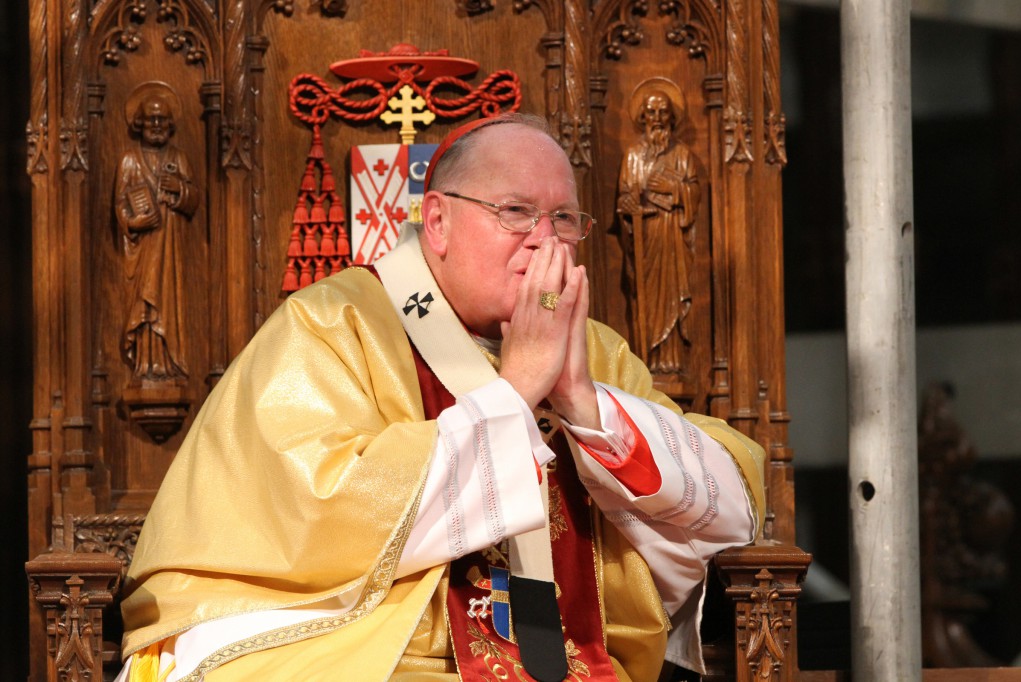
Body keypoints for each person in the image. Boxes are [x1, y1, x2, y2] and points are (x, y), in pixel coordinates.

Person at [116, 114, 764, 682]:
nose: (546, 240)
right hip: (374, 653)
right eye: (516, 212)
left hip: (569, 660)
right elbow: (323, 511)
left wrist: (585, 406)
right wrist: (514, 394)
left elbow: (730, 510)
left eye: (565, 218)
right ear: (438, 222)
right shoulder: (336, 323)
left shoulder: (590, 349)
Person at [617, 78, 701, 374]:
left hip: (672, 237)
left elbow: (694, 192)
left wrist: (676, 187)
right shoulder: (633, 156)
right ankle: (647, 363)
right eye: (651, 113)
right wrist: (628, 206)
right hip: (646, 237)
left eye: (662, 112)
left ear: (671, 117)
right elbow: (626, 194)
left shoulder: (682, 155)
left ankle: (673, 361)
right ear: (642, 118)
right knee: (648, 300)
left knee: (673, 294)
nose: (657, 119)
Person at [116, 82, 198, 381]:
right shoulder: (129, 161)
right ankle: (145, 364)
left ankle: (168, 362)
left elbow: (193, 199)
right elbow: (120, 207)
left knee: (168, 305)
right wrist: (134, 224)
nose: (156, 125)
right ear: (138, 123)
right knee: (144, 307)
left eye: (162, 120)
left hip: (171, 253)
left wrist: (180, 191)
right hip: (141, 254)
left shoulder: (178, 158)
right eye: (150, 119)